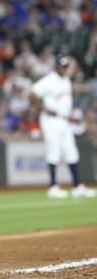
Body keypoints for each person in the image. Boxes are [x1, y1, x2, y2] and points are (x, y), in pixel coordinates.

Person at [29, 54, 96, 199]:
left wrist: (71, 116)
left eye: (66, 66)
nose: (64, 69)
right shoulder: (49, 80)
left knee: (71, 152)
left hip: (64, 121)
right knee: (54, 152)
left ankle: (77, 186)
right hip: (50, 120)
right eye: (62, 66)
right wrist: (44, 108)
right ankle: (53, 187)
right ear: (56, 66)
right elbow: (32, 93)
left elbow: (65, 102)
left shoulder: (65, 79)